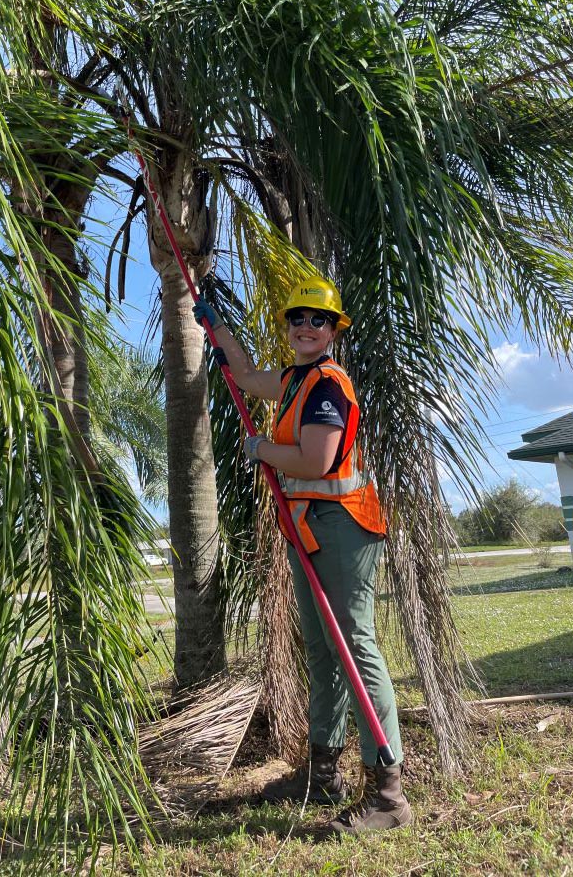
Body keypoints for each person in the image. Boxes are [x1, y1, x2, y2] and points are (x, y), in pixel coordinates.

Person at [193, 276, 411, 835]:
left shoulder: (327, 386)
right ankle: (323, 773)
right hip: (307, 527)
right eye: (297, 318)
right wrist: (215, 327)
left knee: (354, 646)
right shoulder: (295, 380)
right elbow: (242, 375)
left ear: (334, 330)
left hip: (343, 526)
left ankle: (387, 795)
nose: (307, 326)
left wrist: (259, 448)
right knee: (321, 649)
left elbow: (316, 461)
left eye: (319, 319)